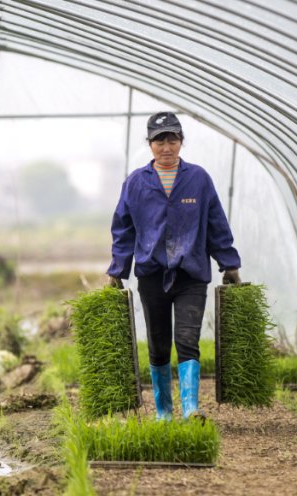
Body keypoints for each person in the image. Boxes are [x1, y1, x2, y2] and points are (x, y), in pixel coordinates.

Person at [106, 111, 241, 420]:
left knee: (187, 340)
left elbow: (216, 224)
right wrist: (117, 270)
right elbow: (123, 229)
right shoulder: (136, 183)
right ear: (150, 144)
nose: (166, 147)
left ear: (181, 141)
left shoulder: (198, 179)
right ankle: (164, 413)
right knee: (158, 344)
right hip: (152, 274)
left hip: (190, 273)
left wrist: (229, 264)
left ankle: (191, 409)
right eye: (159, 141)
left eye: (172, 140)